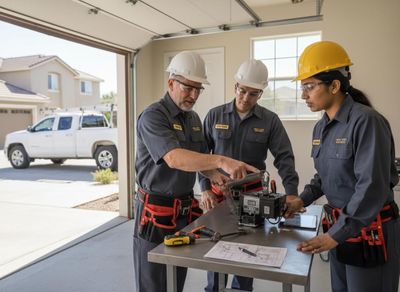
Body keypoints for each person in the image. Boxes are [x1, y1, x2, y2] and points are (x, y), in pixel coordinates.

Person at [133, 51, 259, 292]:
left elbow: (200, 159)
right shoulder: (153, 116)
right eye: (188, 88)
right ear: (171, 83)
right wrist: (223, 160)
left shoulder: (192, 119)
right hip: (154, 216)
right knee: (154, 284)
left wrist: (217, 176)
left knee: (176, 279)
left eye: (198, 89)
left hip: (182, 213)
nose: (193, 95)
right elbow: (173, 158)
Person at [286, 41, 400, 292]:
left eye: (309, 86)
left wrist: (333, 236)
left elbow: (371, 186)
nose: (303, 95)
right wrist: (301, 201)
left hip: (369, 230)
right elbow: (324, 175)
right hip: (341, 229)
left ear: (335, 85)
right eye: (302, 87)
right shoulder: (321, 127)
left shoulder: (367, 122)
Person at [199, 59, 299, 292]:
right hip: (219, 195)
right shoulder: (215, 116)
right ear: (235, 87)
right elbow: (202, 156)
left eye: (253, 94)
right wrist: (204, 188)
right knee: (217, 249)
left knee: (248, 250)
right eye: (242, 91)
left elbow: (284, 158)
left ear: (261, 94)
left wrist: (292, 194)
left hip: (252, 198)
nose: (246, 98)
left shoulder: (269, 120)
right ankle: (214, 288)